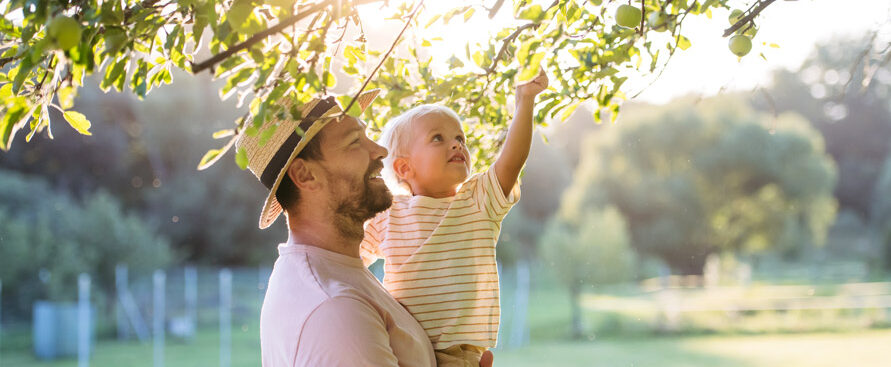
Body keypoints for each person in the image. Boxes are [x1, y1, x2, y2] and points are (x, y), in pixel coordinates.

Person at [360, 70, 549, 366]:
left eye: (460, 138)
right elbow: (348, 260)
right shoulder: (388, 212)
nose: (457, 144)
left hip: (456, 356)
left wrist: (524, 101)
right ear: (404, 168)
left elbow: (511, 162)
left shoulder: (476, 201)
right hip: (401, 347)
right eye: (438, 138)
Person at [238, 90, 436, 366]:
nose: (380, 150)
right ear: (305, 175)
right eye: (354, 141)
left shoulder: (338, 273)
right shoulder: (335, 308)